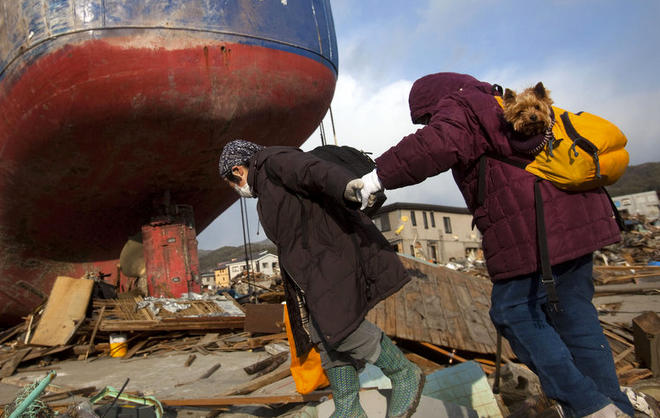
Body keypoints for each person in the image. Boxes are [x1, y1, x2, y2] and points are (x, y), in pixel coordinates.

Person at [356, 72, 633, 418]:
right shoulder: (497, 101)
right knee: (576, 319)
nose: (429, 122)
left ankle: (588, 406)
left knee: (513, 312)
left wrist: (376, 176)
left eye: (426, 117)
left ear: (432, 102)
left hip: (534, 230)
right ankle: (615, 409)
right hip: (579, 220)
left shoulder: (462, 104)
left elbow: (436, 143)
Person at [218, 139, 424, 418]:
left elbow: (311, 170)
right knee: (322, 334)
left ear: (238, 169)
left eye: (232, 180)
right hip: (309, 269)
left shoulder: (274, 161)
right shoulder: (266, 187)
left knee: (343, 327)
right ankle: (348, 407)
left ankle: (403, 372)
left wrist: (346, 186)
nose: (234, 188)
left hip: (328, 255)